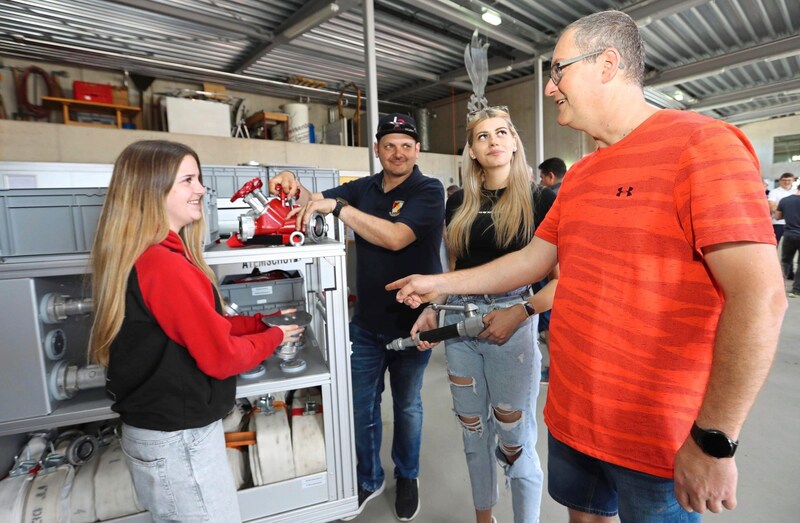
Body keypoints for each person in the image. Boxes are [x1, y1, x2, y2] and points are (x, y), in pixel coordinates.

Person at [387, 10, 786, 523]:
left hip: (657, 432)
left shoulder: (703, 147)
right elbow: (534, 259)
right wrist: (438, 284)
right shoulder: (580, 176)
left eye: (559, 70)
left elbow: (760, 299)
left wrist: (714, 439)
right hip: (576, 418)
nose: (551, 88)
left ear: (607, 64)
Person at [89, 140, 303, 522]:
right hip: (178, 442)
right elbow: (220, 357)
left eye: (198, 178)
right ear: (151, 188)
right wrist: (275, 338)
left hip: (159, 434)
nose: (202, 189)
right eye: (188, 180)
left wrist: (260, 323)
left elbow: (197, 327)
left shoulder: (147, 254)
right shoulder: (165, 265)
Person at [269, 113, 444, 521]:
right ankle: (369, 477)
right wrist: (292, 181)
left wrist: (341, 208)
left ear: (417, 150)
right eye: (389, 145)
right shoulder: (364, 189)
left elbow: (397, 236)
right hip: (365, 324)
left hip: (414, 323)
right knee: (361, 406)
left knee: (407, 406)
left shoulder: (428, 190)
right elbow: (314, 200)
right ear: (378, 149)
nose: (398, 152)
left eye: (406, 145)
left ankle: (407, 475)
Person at [411, 107, 557, 523]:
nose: (493, 141)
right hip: (459, 326)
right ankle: (484, 517)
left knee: (515, 438)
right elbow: (455, 273)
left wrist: (522, 311)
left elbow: (563, 280)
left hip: (513, 326)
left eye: (502, 133)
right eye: (482, 137)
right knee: (473, 432)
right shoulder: (458, 202)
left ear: (514, 143)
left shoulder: (540, 200)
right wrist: (432, 310)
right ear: (472, 151)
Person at [769, 172, 798, 275]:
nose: (787, 182)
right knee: (774, 247)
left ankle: (789, 273)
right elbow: (772, 207)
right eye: (784, 180)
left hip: (791, 225)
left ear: (793, 180)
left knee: (789, 251)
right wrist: (790, 213)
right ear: (780, 181)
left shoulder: (796, 192)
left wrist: (786, 212)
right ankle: (772, 270)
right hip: (777, 223)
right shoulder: (774, 192)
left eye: (789, 180)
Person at [775, 184, 800, 296]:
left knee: (785, 261)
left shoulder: (785, 200)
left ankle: (779, 288)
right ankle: (797, 290)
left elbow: (778, 216)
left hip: (789, 234)